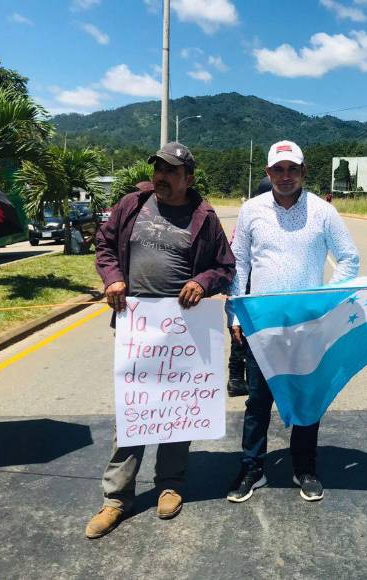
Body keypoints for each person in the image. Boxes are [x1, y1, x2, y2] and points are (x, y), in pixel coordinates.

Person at [86, 142, 235, 538]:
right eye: (158, 169)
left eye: (171, 172)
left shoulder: (204, 217)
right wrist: (113, 277)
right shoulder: (132, 204)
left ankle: (171, 484)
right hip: (136, 329)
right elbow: (103, 245)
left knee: (174, 411)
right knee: (132, 412)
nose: (161, 177)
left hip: (182, 332)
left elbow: (225, 267)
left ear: (188, 178)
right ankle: (116, 499)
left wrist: (201, 282)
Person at [226, 140, 359, 503]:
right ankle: (252, 467)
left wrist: (325, 300)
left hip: (307, 325)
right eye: (278, 170)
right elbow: (239, 265)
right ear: (268, 173)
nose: (285, 177)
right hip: (262, 324)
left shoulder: (322, 211)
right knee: (257, 400)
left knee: (306, 396)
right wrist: (235, 313)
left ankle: (305, 466)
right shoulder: (251, 210)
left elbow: (349, 260)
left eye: (292, 169)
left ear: (303, 172)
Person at [226, 176, 272, 398]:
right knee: (244, 331)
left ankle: (236, 377)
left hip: (247, 281)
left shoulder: (250, 215)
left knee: (242, 331)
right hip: (249, 282)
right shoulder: (255, 216)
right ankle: (238, 377)